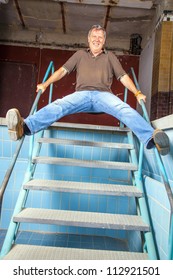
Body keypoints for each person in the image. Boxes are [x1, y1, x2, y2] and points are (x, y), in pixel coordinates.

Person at [6, 25, 169, 156]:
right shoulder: (79, 55)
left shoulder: (110, 56)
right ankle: (25, 127)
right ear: (89, 39)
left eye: (100, 37)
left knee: (123, 109)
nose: (97, 40)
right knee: (59, 105)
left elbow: (123, 76)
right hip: (81, 95)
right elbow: (62, 70)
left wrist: (137, 92)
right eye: (94, 37)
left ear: (104, 41)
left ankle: (152, 138)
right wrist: (45, 84)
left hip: (104, 96)